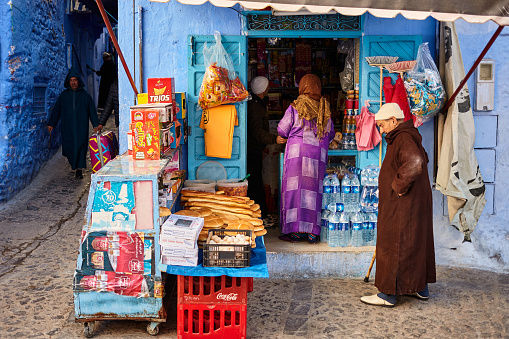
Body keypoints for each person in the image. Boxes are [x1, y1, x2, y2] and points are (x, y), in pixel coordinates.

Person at [360, 103, 436, 307]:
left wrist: (397, 187)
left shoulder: (402, 137)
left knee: (393, 243)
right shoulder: (408, 135)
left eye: (382, 125)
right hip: (412, 203)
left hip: (404, 202)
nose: (381, 130)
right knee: (413, 243)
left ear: (394, 121)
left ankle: (388, 294)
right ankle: (419, 288)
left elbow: (415, 162)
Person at [277, 74, 334, 244]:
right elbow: (330, 134)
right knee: (314, 191)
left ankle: (295, 231)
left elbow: (282, 129)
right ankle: (312, 232)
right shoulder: (324, 107)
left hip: (297, 154)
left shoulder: (296, 106)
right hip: (318, 154)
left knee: (295, 191)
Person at [47, 68, 100, 179]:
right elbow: (57, 110)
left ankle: (79, 169)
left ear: (78, 81)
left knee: (81, 146)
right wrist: (52, 123)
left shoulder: (85, 96)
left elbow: (92, 111)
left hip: (81, 127)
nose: (73, 82)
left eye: (75, 80)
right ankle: (74, 164)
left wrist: (96, 124)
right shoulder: (64, 96)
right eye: (71, 80)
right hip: (68, 127)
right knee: (70, 146)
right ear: (68, 82)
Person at [247, 76, 285, 227]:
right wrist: (274, 139)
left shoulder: (256, 104)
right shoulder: (256, 107)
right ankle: (260, 217)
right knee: (255, 184)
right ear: (264, 90)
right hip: (252, 151)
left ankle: (260, 215)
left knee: (256, 183)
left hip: (255, 150)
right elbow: (257, 132)